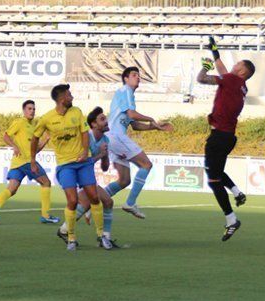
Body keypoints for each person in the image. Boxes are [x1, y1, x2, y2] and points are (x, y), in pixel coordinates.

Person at [30, 84, 111, 251]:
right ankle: (71, 237)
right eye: (69, 94)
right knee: (72, 201)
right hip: (65, 165)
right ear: (61, 99)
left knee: (94, 197)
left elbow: (84, 134)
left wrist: (84, 151)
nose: (72, 97)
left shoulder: (77, 112)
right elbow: (34, 138)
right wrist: (32, 160)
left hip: (83, 163)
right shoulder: (47, 118)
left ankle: (101, 235)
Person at [196, 37, 254, 242]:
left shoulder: (231, 80)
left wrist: (204, 67)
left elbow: (202, 79)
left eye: (237, 64)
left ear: (242, 71)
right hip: (228, 136)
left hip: (219, 136)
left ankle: (231, 219)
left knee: (213, 180)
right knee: (217, 172)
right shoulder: (241, 86)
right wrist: (215, 51)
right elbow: (223, 70)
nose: (234, 65)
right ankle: (237, 192)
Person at [104, 66, 173, 219]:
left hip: (112, 138)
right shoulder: (125, 90)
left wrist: (155, 128)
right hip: (116, 136)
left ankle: (91, 203)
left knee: (124, 180)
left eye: (139, 75)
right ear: (126, 79)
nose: (138, 78)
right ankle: (130, 202)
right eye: (134, 75)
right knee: (146, 165)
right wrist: (152, 119)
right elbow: (131, 114)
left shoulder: (127, 97)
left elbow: (134, 124)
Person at [0, 100, 60, 225]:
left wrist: (45, 139)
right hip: (25, 161)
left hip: (19, 163)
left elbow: (35, 150)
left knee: (12, 189)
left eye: (34, 109)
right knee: (46, 182)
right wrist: (14, 146)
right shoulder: (20, 122)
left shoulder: (34, 127)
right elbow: (6, 136)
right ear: (24, 110)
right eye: (29, 109)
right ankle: (45, 215)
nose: (32, 111)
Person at [70, 107, 120, 249]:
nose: (106, 121)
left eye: (105, 118)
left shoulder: (105, 140)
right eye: (102, 119)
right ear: (93, 124)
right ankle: (105, 238)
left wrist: (104, 155)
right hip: (76, 173)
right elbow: (82, 160)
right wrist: (99, 155)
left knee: (88, 204)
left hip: (87, 175)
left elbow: (104, 168)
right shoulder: (87, 137)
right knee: (107, 201)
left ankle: (64, 230)